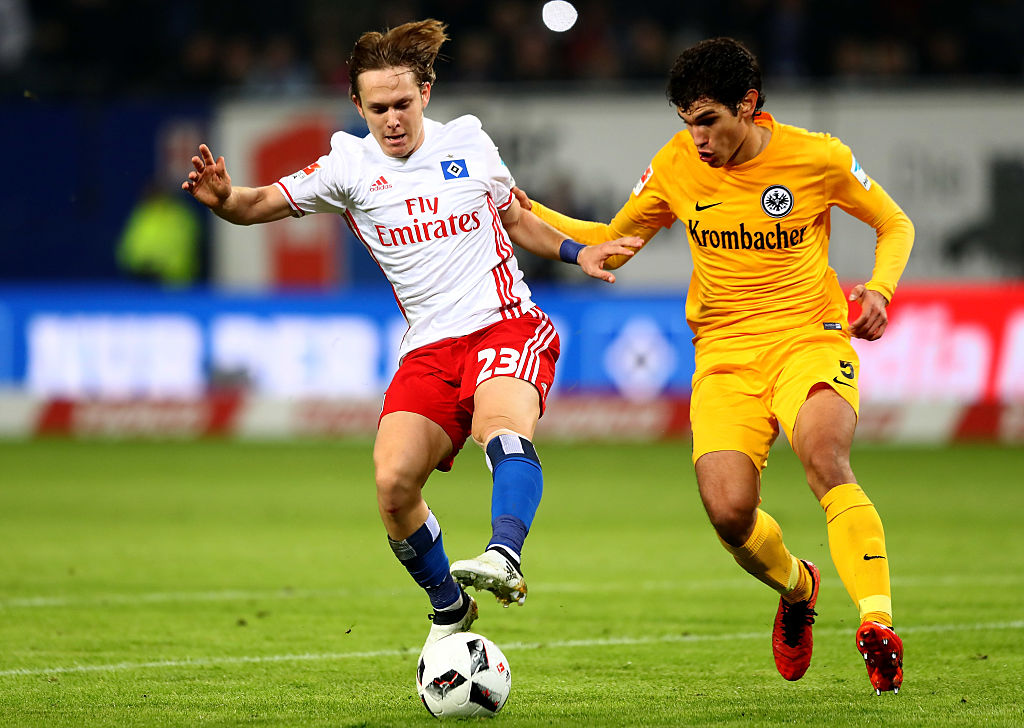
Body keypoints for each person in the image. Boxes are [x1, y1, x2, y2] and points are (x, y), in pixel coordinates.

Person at [182, 19, 641, 653]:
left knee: (500, 427)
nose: (392, 119)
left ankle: (504, 555)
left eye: (402, 103)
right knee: (393, 483)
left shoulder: (470, 144)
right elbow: (255, 204)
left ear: (426, 91)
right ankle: (450, 607)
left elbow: (517, 218)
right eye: (378, 108)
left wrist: (573, 251)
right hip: (429, 347)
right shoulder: (347, 166)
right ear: (357, 105)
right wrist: (223, 197)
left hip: (505, 322)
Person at [518, 37, 912, 695]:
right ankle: (798, 586)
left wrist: (880, 289)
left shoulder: (817, 157)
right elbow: (613, 243)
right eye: (686, 122)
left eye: (708, 120)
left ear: (749, 105)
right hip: (725, 357)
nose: (697, 137)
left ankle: (877, 624)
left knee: (824, 457)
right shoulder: (676, 164)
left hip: (806, 339)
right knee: (729, 512)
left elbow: (893, 222)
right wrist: (524, 213)